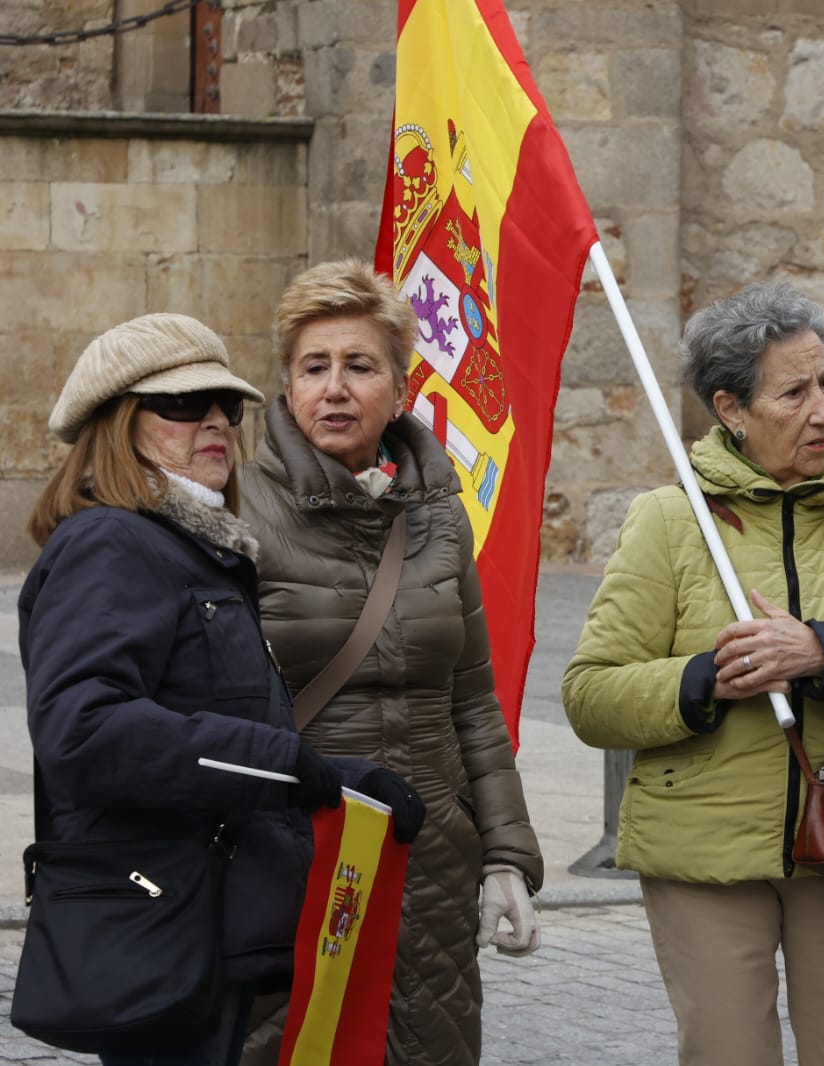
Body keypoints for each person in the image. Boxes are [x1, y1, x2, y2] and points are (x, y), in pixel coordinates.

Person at [562, 282, 824, 1066]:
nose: (822, 409)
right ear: (732, 410)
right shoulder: (670, 518)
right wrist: (700, 682)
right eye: (793, 392)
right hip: (702, 850)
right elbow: (590, 695)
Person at [19, 314, 422, 1066]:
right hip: (157, 920)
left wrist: (340, 782)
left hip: (206, 916)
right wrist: (283, 766)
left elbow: (208, 714)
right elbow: (84, 731)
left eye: (226, 405)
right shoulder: (113, 541)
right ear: (118, 424)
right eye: (181, 404)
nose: (213, 421)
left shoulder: (190, 548)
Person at [237, 260, 543, 1065]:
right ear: (287, 384)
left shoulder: (441, 517)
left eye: (360, 365)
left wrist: (507, 853)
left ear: (400, 389)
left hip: (433, 860)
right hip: (298, 855)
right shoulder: (237, 514)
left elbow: (472, 701)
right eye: (314, 366)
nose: (335, 388)